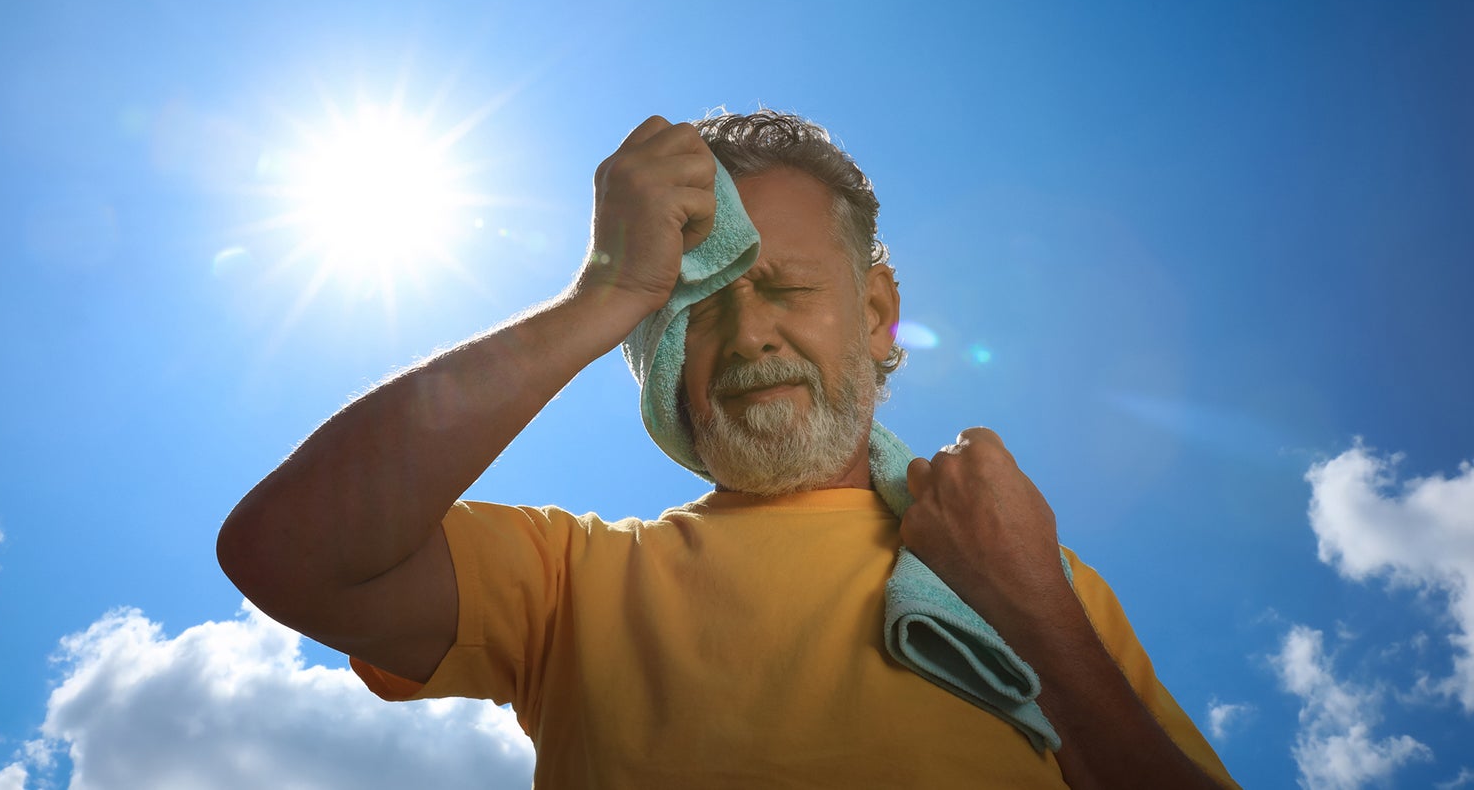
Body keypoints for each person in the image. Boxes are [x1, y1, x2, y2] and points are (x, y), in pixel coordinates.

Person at [217, 111, 1239, 789]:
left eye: (789, 287)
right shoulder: (571, 581)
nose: (749, 335)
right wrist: (606, 294)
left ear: (878, 312)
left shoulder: (1040, 579)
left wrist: (1038, 609)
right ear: (654, 352)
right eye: (695, 307)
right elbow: (287, 555)